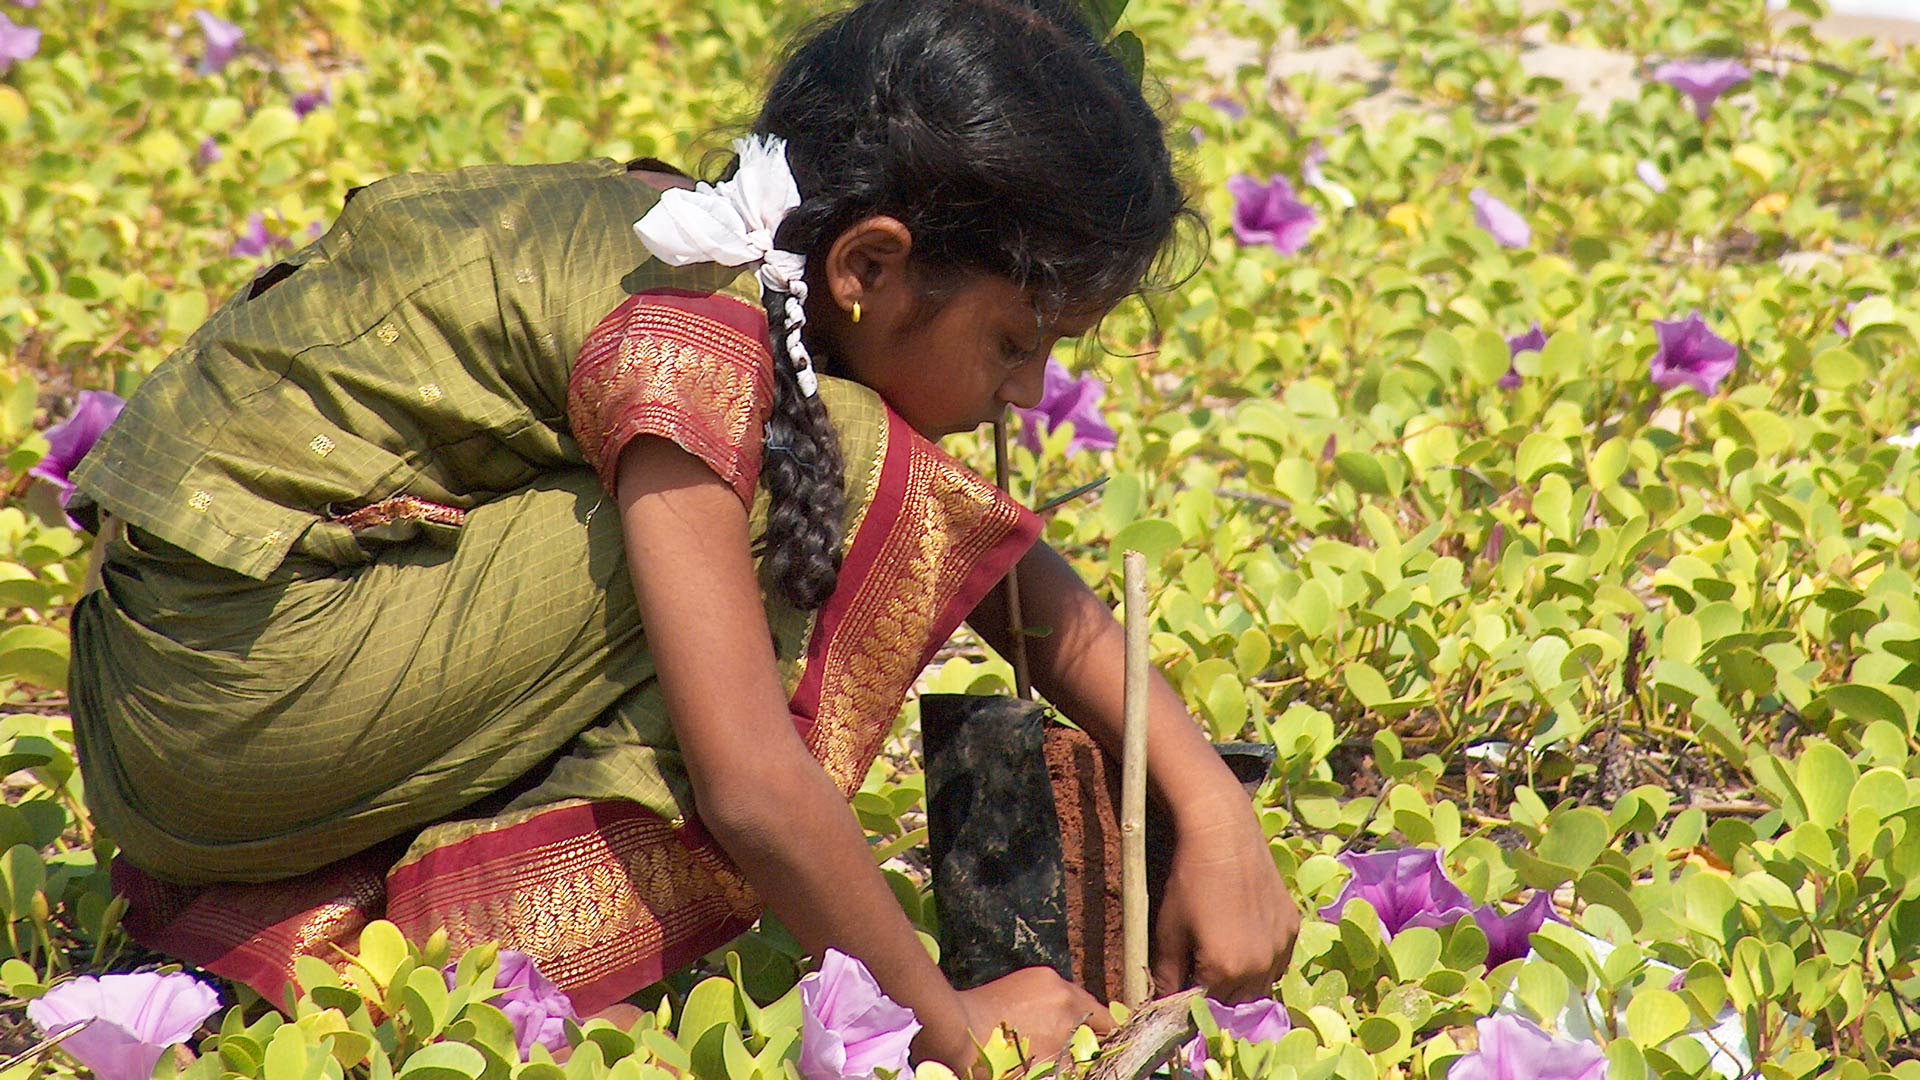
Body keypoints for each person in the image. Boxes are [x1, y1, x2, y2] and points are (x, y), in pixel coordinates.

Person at [65, 0, 1299, 1069]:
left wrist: (1209, 803)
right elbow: (756, 787)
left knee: (839, 456)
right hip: (232, 708)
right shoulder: (703, 328)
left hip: (198, 694)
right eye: (1019, 342)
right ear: (870, 263)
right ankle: (475, 940)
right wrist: (947, 1031)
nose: (1028, 395)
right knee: (850, 461)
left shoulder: (729, 250)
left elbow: (1010, 575)